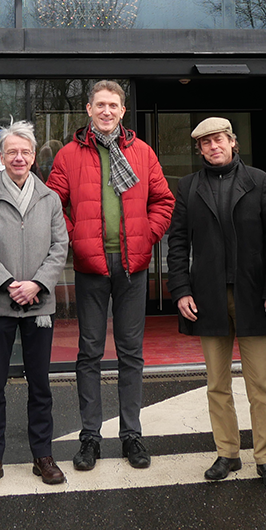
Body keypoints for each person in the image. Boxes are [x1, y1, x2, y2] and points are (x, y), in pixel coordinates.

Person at [45, 80, 175, 471]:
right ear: (88, 109)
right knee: (89, 353)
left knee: (131, 353)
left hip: (133, 267)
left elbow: (163, 200)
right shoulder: (69, 155)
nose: (106, 111)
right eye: (99, 105)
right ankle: (90, 438)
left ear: (122, 111)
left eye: (113, 105)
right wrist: (78, 241)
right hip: (90, 267)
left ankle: (131, 434)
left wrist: (147, 236)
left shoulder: (142, 152)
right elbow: (55, 205)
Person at [166, 117, 266, 489]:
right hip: (208, 297)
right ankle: (227, 453)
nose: (213, 146)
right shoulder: (187, 187)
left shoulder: (262, 182)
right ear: (200, 150)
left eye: (219, 140)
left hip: (253, 295)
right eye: (206, 143)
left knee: (262, 384)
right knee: (217, 383)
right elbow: (177, 245)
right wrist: (181, 290)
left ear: (233, 143)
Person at [0, 121, 70, 488]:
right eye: (12, 152)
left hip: (38, 305)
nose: (19, 157)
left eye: (25, 151)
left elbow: (60, 247)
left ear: (33, 155)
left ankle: (42, 454)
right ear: (1, 156)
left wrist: (37, 284)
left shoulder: (50, 198)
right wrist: (9, 284)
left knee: (39, 384)